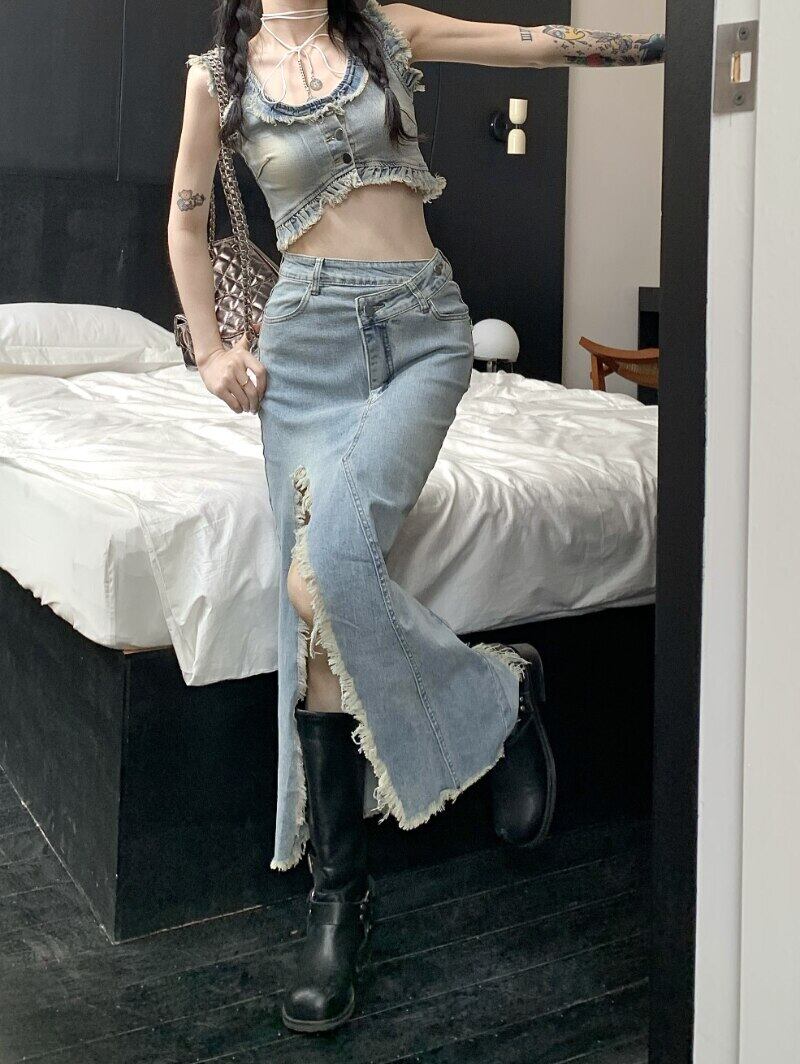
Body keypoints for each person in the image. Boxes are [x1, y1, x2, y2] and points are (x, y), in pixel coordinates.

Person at [168, 1, 665, 1035]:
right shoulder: (216, 77)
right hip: (303, 352)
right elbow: (186, 218)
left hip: (422, 334)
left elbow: (528, 44)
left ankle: (495, 702)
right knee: (316, 606)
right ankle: (340, 897)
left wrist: (676, 41)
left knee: (320, 572)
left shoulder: (381, 29)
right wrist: (211, 352)